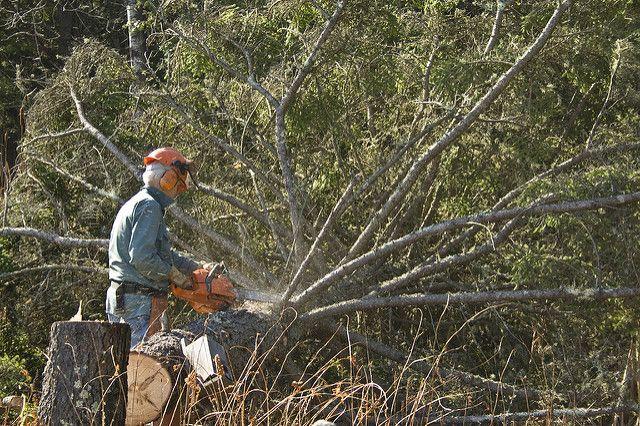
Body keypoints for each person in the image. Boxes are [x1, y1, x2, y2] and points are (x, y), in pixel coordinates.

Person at [106, 147, 209, 348]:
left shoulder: (137, 203)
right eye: (177, 184)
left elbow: (162, 254)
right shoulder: (150, 206)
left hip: (125, 298)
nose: (177, 191)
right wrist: (174, 275)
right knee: (141, 367)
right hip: (138, 300)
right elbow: (143, 257)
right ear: (167, 178)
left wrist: (195, 267)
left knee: (125, 364)